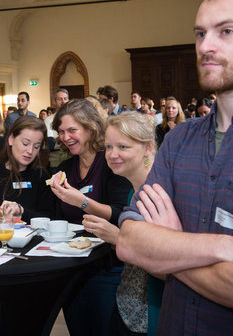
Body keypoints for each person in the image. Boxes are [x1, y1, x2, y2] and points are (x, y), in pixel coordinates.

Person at [117, 0, 233, 334]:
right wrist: (227, 247)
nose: (206, 46)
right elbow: (130, 243)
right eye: (200, 34)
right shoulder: (180, 138)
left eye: (226, 31)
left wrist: (170, 245)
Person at [49, 98, 132, 336]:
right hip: (72, 268)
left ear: (91, 128)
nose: (65, 137)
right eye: (61, 131)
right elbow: (57, 218)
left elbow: (118, 213)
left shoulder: (110, 162)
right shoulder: (63, 169)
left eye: (72, 130)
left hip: (106, 269)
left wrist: (82, 202)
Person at [82, 111, 163, 336]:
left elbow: (167, 260)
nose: (112, 155)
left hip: (150, 314)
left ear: (147, 148)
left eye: (123, 147)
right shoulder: (133, 192)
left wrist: (118, 238)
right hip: (128, 306)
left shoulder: (159, 193)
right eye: (108, 147)